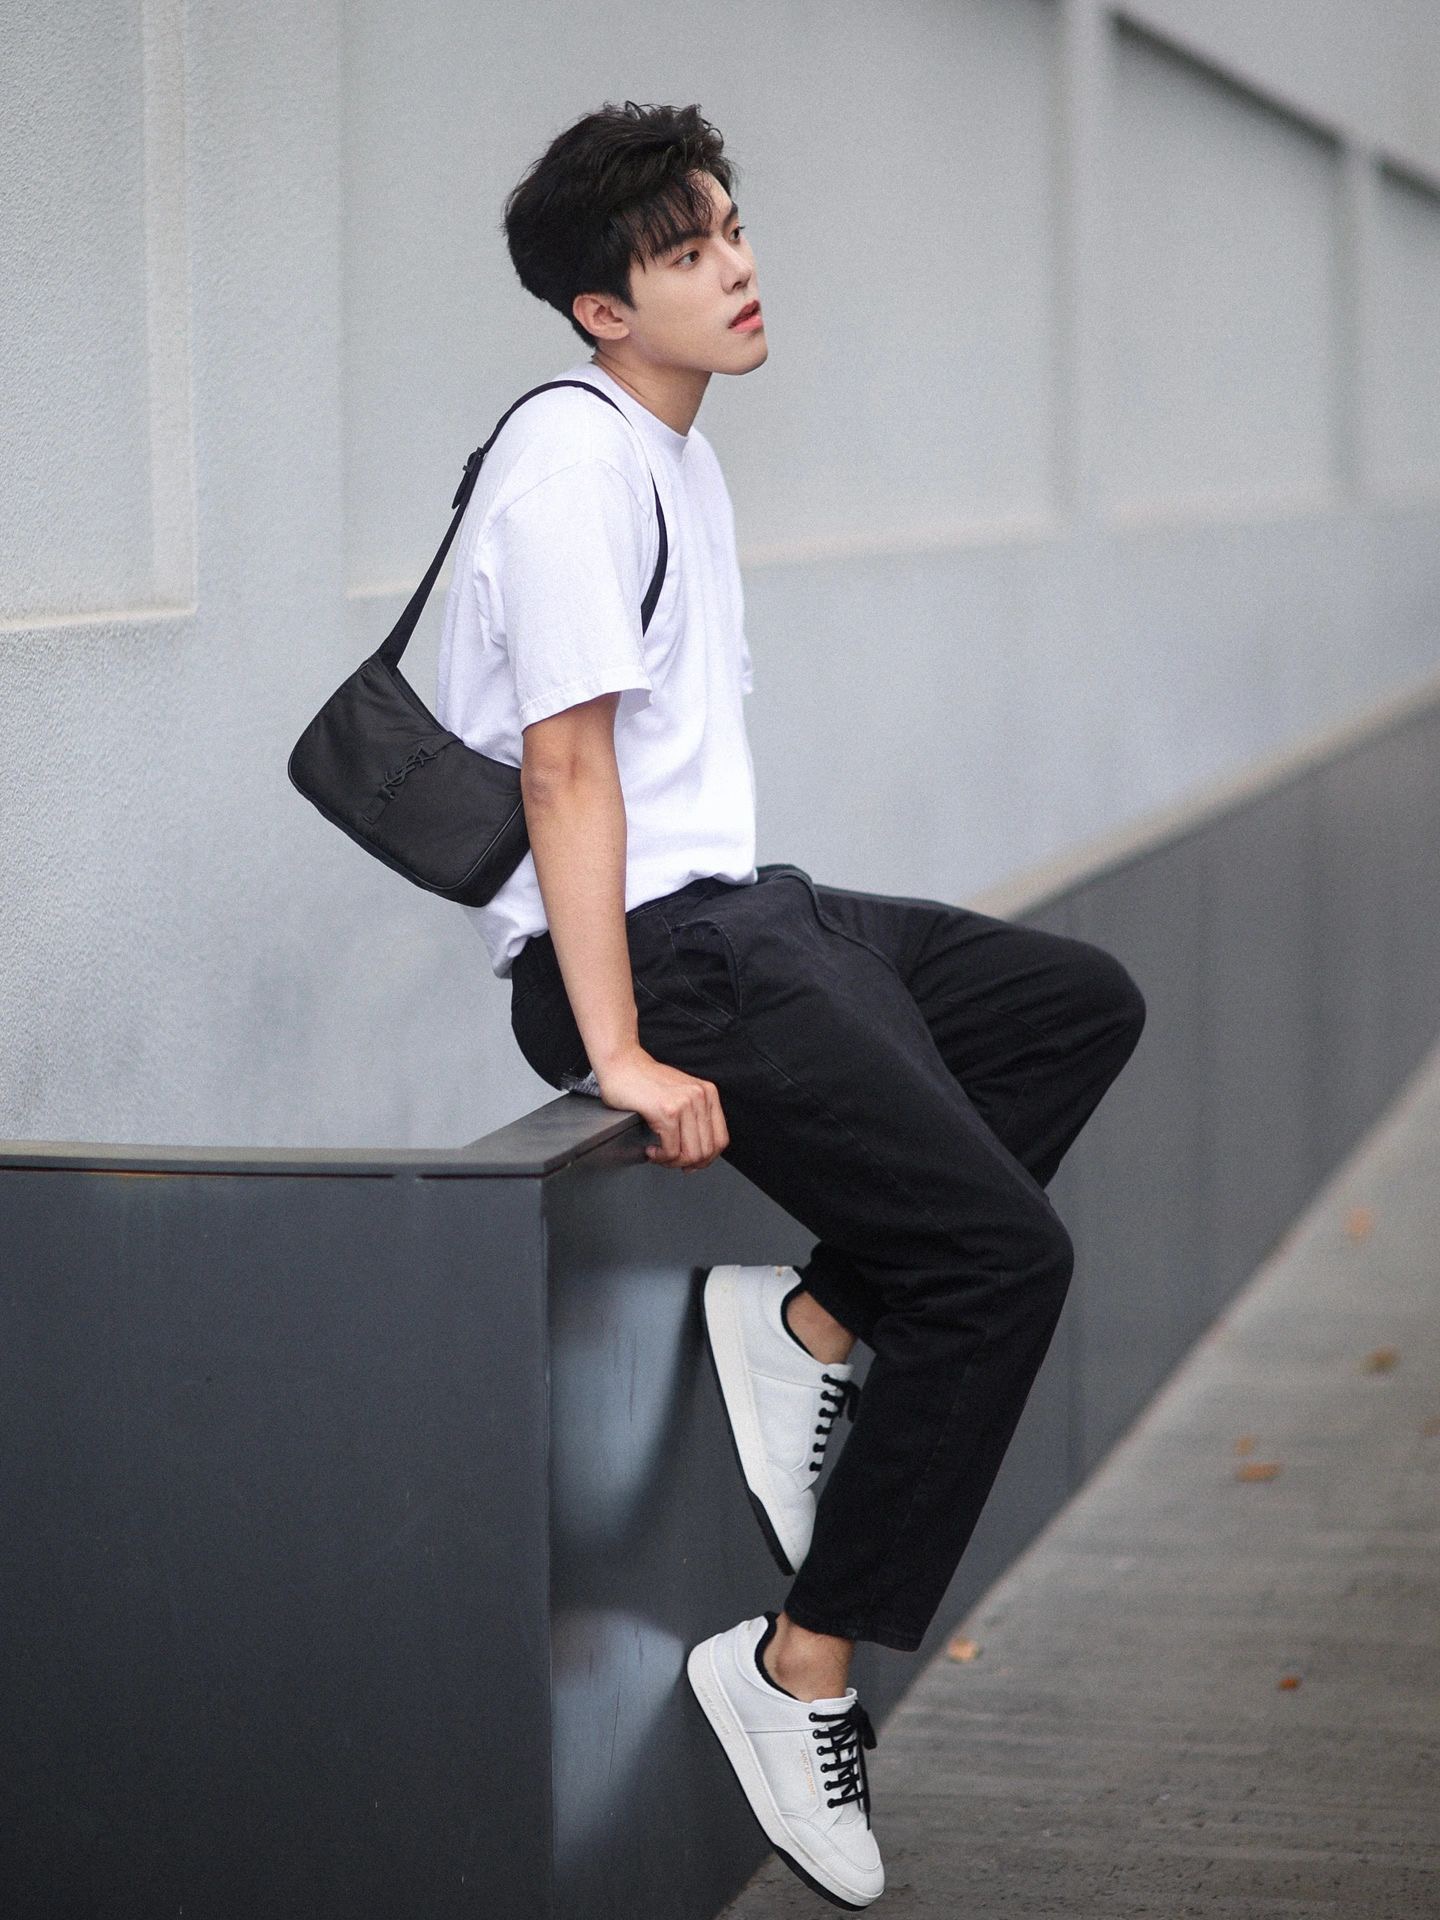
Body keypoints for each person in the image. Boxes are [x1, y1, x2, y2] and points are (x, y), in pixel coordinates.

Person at [435, 99, 1146, 1911]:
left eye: (733, 230)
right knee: (1003, 1263)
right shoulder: (576, 465)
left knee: (1072, 1005)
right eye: (688, 253)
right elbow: (565, 769)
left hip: (750, 913)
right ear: (603, 309)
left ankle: (814, 1320)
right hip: (663, 958)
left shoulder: (676, 451)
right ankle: (796, 1663)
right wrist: (614, 1046)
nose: (740, 270)